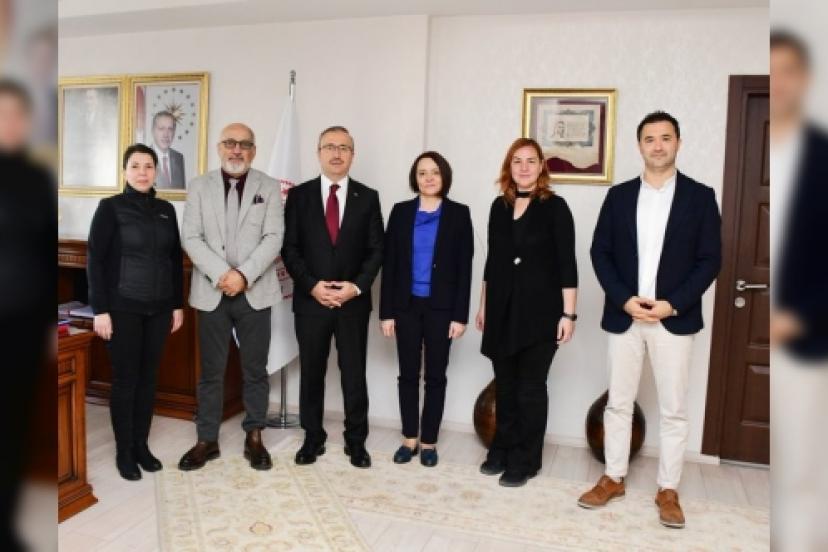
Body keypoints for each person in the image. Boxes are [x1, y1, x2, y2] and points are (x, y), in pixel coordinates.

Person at [578, 111, 721, 529]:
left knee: (674, 410)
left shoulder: (700, 197)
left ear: (678, 143)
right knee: (618, 403)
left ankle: (668, 489)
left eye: (665, 138)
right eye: (649, 139)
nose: (658, 146)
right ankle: (613, 477)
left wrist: (671, 304)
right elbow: (600, 252)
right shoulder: (619, 196)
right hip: (625, 315)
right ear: (639, 145)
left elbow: (710, 260)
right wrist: (624, 300)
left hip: (673, 318)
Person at [178, 123, 284, 472]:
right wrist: (223, 274)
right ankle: (206, 440)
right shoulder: (199, 186)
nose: (236, 150)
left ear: (253, 151)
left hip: (255, 291)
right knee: (211, 371)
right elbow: (191, 237)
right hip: (212, 291)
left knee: (255, 370)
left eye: (244, 144)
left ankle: (254, 436)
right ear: (219, 148)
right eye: (230, 143)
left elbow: (274, 237)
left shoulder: (268, 187)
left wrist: (243, 276)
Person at [475, 138, 578, 487]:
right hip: (501, 310)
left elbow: (567, 264)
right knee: (505, 387)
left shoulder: (556, 207)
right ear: (509, 166)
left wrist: (569, 315)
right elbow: (492, 262)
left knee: (530, 389)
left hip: (541, 313)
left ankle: (526, 460)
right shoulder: (498, 207)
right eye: (517, 161)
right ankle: (501, 449)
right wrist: (483, 306)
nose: (523, 167)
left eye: (530, 161)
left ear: (541, 166)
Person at [281, 125, 383, 469]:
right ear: (318, 152)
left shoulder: (368, 197)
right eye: (330, 147)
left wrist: (356, 287)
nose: (336, 153)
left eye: (344, 148)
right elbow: (290, 248)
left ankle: (356, 442)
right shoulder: (299, 196)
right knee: (312, 373)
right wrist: (312, 286)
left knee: (354, 374)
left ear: (353, 154)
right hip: (311, 302)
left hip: (353, 303)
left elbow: (376, 250)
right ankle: (313, 438)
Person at [87, 143, 185, 480]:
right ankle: (124, 451)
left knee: (148, 378)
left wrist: (176, 304)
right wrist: (100, 310)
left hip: (159, 308)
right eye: (135, 166)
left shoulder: (166, 210)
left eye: (148, 166)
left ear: (156, 172)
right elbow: (95, 261)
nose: (142, 172)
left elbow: (174, 260)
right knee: (126, 380)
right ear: (125, 171)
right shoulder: (110, 208)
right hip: (122, 307)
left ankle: (141, 445)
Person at [769, 30, 828, 550]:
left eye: (787, 70)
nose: (778, 81)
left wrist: (799, 314)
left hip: (808, 336)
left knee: (804, 460)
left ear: (805, 78)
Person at [379, 151, 473, 467]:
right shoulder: (401, 212)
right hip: (405, 306)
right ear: (415, 178)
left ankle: (429, 441)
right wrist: (386, 312)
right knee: (407, 374)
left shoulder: (459, 214)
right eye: (422, 173)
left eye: (434, 172)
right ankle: (410, 438)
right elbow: (390, 264)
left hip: (442, 309)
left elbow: (464, 268)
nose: (429, 178)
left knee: (435, 376)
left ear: (444, 176)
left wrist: (460, 315)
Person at [150, 111, 185, 189]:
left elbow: (181, 192)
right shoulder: (143, 156)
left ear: (174, 132)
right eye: (161, 129)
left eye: (170, 129)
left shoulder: (178, 158)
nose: (166, 134)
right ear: (153, 131)